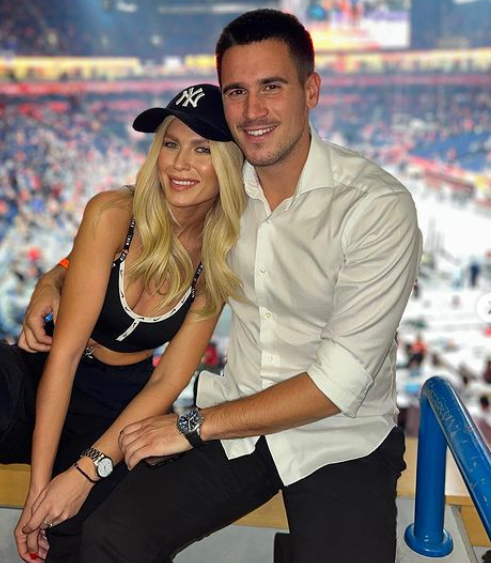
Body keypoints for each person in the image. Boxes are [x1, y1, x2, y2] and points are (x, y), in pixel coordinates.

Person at [26, 10, 423, 563]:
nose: (253, 110)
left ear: (311, 90)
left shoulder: (375, 206)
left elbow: (339, 383)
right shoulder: (220, 189)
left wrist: (192, 426)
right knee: (111, 535)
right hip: (236, 423)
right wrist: (58, 276)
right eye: (237, 91)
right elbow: (130, 219)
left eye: (271, 87)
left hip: (340, 432)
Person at [0, 83, 245, 563]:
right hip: (49, 380)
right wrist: (38, 493)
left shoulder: (220, 254)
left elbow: (167, 380)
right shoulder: (112, 213)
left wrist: (84, 472)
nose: (179, 163)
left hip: (120, 411)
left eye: (202, 149)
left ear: (229, 163)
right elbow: (62, 356)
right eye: (171, 144)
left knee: (96, 530)